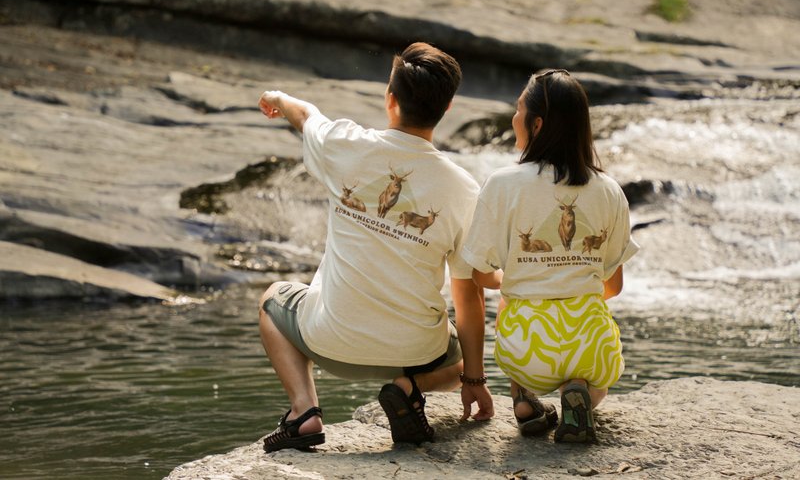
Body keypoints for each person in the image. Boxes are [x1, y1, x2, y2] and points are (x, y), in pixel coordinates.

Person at [256, 42, 494, 453]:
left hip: (329, 342)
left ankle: (304, 412)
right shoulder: (464, 190)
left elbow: (306, 114)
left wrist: (277, 98)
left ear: (390, 99)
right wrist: (474, 380)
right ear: (448, 108)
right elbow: (468, 294)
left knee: (271, 300)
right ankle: (408, 388)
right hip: (417, 354)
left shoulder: (345, 144)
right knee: (456, 360)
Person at [461, 69, 638, 443]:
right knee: (596, 376)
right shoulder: (609, 190)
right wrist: (568, 286)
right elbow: (614, 286)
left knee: (513, 302)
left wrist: (519, 284)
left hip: (526, 349)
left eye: (518, 110)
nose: (513, 118)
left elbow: (479, 276)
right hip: (591, 344)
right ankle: (581, 395)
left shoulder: (502, 184)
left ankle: (524, 397)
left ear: (536, 124)